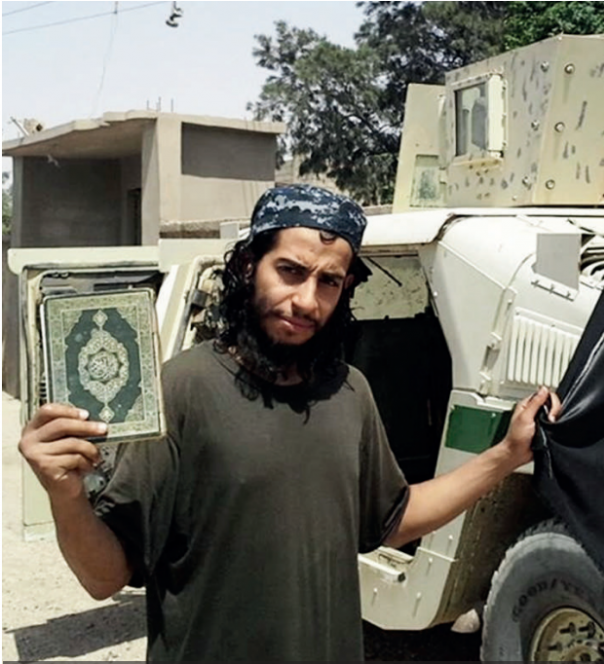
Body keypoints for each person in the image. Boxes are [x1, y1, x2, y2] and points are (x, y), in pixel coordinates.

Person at [18, 184, 562, 661]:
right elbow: (104, 576)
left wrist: (505, 455)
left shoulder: (349, 393)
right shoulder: (182, 390)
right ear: (246, 266)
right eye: (290, 271)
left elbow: (391, 520)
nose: (306, 301)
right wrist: (65, 495)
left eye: (328, 282)